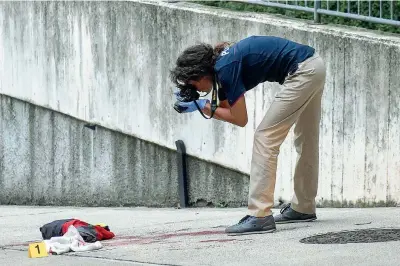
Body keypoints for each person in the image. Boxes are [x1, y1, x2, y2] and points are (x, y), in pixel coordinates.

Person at [170, 35, 326, 235]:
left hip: (302, 72)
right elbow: (231, 114)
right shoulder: (223, 66)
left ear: (200, 74)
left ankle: (260, 215)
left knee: (265, 137)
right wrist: (203, 106)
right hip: (314, 65)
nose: (195, 90)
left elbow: (240, 117)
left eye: (191, 84)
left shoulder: (225, 68)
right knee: (307, 139)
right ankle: (303, 207)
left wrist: (202, 105)